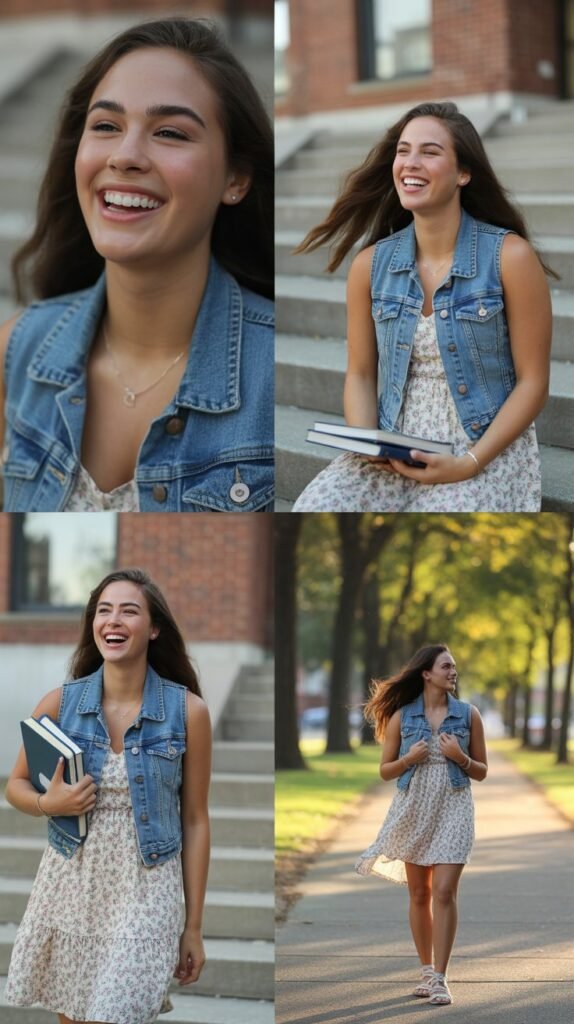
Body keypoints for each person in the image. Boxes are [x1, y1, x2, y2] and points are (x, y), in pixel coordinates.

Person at [0, 18, 274, 512]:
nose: (125, 156)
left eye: (169, 132)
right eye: (106, 126)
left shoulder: (273, 369)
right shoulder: (18, 348)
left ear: (235, 177)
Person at [292, 101, 553, 512]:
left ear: (463, 173)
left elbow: (533, 383)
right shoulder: (369, 266)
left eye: (430, 152)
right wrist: (368, 443)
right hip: (396, 441)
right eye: (403, 151)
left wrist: (468, 463)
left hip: (480, 443)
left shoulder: (510, 257)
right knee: (317, 507)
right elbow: (361, 374)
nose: (410, 163)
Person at [5, 567, 212, 1024]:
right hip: (71, 885)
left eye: (129, 611)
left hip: (147, 889)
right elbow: (15, 785)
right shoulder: (59, 703)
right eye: (104, 611)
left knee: (115, 1013)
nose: (113, 620)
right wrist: (47, 804)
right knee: (74, 1016)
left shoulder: (188, 711)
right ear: (93, 624)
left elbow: (196, 819)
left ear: (154, 628)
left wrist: (193, 926)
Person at [355, 644, 488, 1006]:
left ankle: (441, 978)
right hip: (414, 808)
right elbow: (385, 771)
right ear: (426, 674)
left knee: (444, 891)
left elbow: (481, 771)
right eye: (446, 666)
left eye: (454, 667)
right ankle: (426, 971)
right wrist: (408, 759)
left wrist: (460, 757)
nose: (453, 672)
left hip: (454, 807)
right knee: (419, 894)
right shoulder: (402, 716)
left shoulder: (468, 715)